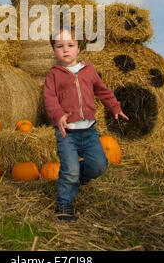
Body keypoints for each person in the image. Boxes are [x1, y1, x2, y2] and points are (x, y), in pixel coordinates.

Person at [44, 26, 129, 221]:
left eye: (70, 45)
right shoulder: (54, 74)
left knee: (99, 165)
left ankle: (77, 179)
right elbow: (49, 99)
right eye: (59, 46)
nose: (65, 50)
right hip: (67, 133)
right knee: (69, 170)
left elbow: (102, 90)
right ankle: (63, 205)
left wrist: (115, 107)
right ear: (54, 50)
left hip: (89, 131)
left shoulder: (88, 70)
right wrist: (58, 115)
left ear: (79, 48)